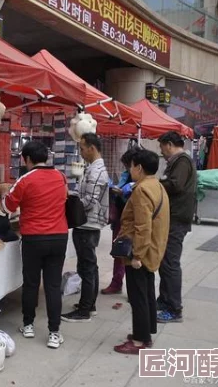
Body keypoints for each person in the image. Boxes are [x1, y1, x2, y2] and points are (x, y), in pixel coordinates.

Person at [0, 141, 69, 349]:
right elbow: (64, 198)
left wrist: (4, 194)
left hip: (33, 238)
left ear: (27, 159)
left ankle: (28, 325)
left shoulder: (25, 179)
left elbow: (7, 206)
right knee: (53, 285)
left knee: (31, 283)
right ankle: (54, 333)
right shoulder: (60, 176)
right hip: (59, 236)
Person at [114, 149, 169, 354]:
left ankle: (139, 341)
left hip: (141, 252)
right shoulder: (157, 186)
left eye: (131, 166)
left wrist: (137, 255)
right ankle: (145, 332)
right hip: (152, 249)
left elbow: (143, 226)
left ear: (139, 168)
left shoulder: (142, 190)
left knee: (138, 296)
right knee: (146, 293)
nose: (129, 169)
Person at [61, 133, 109, 323]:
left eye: (82, 148)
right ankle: (90, 304)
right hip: (88, 223)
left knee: (87, 267)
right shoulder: (92, 169)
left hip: (88, 224)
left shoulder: (96, 171)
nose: (80, 152)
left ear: (92, 148)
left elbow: (89, 200)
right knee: (89, 265)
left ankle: (84, 310)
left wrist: (71, 204)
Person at [156, 131, 197, 323]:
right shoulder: (179, 161)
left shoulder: (182, 161)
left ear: (170, 144)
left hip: (177, 218)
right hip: (172, 217)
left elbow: (176, 185)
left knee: (171, 263)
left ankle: (174, 309)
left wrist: (155, 184)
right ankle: (164, 301)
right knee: (165, 262)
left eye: (162, 147)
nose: (161, 151)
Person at [101, 146, 141, 295]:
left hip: (132, 221)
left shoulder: (142, 182)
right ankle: (117, 283)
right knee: (120, 251)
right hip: (121, 217)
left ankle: (132, 288)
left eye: (128, 165)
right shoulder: (127, 175)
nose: (127, 168)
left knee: (130, 253)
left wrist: (124, 192)